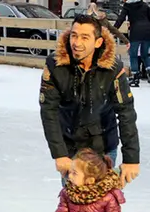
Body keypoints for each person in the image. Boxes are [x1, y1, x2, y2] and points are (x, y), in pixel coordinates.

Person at [39, 14, 140, 187]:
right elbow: (49, 110)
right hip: (71, 146)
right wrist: (59, 153)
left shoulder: (112, 68)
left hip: (103, 145)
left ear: (98, 42)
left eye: (85, 37)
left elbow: (125, 111)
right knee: (73, 205)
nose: (77, 43)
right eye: (74, 35)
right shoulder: (55, 65)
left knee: (102, 204)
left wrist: (131, 158)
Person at [114, 0, 150, 87]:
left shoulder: (127, 6)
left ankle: (135, 78)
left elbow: (121, 18)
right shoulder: (144, 5)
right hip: (147, 31)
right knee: (145, 54)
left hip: (136, 32)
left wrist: (114, 29)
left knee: (133, 55)